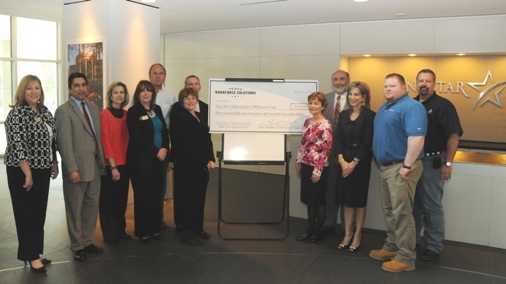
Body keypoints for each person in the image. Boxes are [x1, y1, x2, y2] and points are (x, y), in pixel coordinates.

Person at [369, 73, 427, 272]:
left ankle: (406, 258)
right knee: (390, 211)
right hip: (386, 168)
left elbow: (417, 138)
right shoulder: (385, 107)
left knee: (402, 213)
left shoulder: (412, 107)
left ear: (403, 87)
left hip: (402, 168)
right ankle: (393, 246)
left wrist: (407, 166)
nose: (388, 89)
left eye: (392, 86)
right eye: (385, 86)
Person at [4, 75, 59, 273]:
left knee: (38, 212)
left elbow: (52, 140)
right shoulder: (17, 113)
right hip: (22, 170)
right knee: (26, 213)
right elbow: (18, 146)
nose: (34, 92)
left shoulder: (44, 111)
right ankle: (31, 255)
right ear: (22, 91)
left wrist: (54, 162)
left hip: (43, 168)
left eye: (37, 88)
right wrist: (28, 174)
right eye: (29, 88)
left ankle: (35, 251)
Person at [412, 69, 463, 261]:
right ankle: (413, 240)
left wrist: (447, 163)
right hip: (412, 162)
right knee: (413, 205)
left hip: (432, 163)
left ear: (434, 84)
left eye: (428, 81)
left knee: (431, 205)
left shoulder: (443, 105)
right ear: (415, 83)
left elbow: (454, 135)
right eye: (421, 81)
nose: (424, 84)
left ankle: (433, 245)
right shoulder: (412, 104)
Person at [55, 72, 106, 262]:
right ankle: (77, 246)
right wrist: (71, 169)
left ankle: (87, 240)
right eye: (76, 85)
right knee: (75, 208)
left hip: (94, 165)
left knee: (91, 207)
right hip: (76, 168)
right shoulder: (64, 111)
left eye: (84, 85)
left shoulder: (93, 108)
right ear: (69, 89)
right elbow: (64, 142)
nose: (81, 88)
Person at [170, 87, 215, 245]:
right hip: (188, 167)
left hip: (201, 167)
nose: (190, 101)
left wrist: (211, 158)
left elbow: (207, 140)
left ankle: (198, 228)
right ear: (182, 101)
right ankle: (187, 234)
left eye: (193, 98)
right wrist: (203, 161)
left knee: (199, 199)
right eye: (187, 99)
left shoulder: (200, 116)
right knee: (188, 201)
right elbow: (187, 145)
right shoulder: (181, 118)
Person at [334, 82, 375, 252]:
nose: (352, 98)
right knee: (346, 200)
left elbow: (367, 142)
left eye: (356, 94)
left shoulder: (370, 116)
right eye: (350, 94)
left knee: (358, 200)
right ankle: (347, 233)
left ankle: (358, 234)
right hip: (344, 161)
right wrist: (343, 161)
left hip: (361, 163)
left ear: (364, 97)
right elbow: (337, 140)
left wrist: (353, 163)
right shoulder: (343, 115)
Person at [126, 80, 169, 244]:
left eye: (149, 91)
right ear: (138, 94)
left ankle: (154, 229)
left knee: (156, 196)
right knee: (144, 197)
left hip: (159, 160)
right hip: (141, 162)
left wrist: (165, 148)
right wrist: (155, 151)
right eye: (142, 91)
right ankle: (144, 232)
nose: (146, 93)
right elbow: (137, 137)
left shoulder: (156, 109)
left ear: (153, 93)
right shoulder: (133, 111)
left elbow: (164, 131)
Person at [295, 92, 333, 243]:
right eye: (311, 103)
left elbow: (326, 149)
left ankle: (318, 232)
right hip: (306, 164)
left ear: (323, 106)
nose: (312, 106)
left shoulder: (326, 124)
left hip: (320, 167)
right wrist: (298, 161)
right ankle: (309, 229)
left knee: (319, 201)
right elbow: (303, 143)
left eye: (316, 103)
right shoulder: (306, 122)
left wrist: (318, 171)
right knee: (309, 200)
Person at [99, 81, 131, 246]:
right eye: (116, 92)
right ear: (110, 95)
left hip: (125, 164)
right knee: (108, 202)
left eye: (122, 92)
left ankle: (121, 230)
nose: (119, 95)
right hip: (111, 165)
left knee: (121, 201)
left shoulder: (126, 114)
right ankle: (110, 234)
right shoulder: (105, 115)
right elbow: (106, 142)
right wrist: (113, 166)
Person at [322, 70, 350, 234]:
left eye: (342, 79)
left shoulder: (355, 97)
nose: (339, 82)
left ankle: (347, 227)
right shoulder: (325, 99)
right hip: (330, 154)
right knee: (330, 190)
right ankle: (329, 223)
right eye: (335, 79)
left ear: (348, 80)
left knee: (347, 191)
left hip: (348, 154)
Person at [149, 63, 176, 230]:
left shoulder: (170, 95)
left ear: (164, 76)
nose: (158, 76)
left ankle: (159, 219)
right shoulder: (142, 93)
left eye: (161, 73)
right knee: (146, 187)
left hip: (163, 147)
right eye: (155, 73)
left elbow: (173, 122)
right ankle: (147, 220)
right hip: (146, 148)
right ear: (149, 75)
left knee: (160, 187)